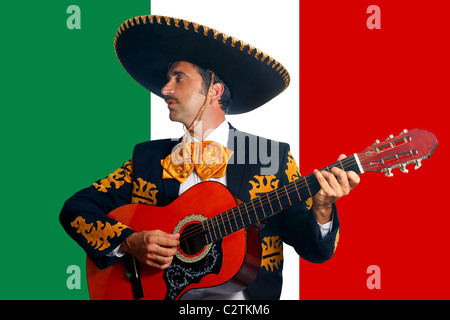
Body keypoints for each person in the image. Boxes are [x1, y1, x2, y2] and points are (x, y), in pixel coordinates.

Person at [60, 15, 360, 300]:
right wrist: (129, 241)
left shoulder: (271, 156)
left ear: (214, 91)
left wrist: (322, 210)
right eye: (168, 79)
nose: (165, 89)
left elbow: (315, 250)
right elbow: (76, 209)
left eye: (179, 78)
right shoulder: (148, 158)